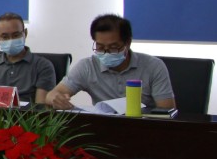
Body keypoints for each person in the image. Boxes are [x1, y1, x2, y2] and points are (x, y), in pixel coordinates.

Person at [47, 14, 175, 111]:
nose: (106, 52)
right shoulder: (87, 66)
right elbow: (51, 95)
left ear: (128, 43)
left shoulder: (153, 66)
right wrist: (57, 99)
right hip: (103, 127)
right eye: (100, 47)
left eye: (113, 47)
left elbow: (166, 110)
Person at [0, 12, 55, 105]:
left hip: (26, 114)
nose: (10, 40)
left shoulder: (43, 66)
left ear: (25, 33)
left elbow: (41, 108)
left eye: (16, 35)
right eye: (5, 37)